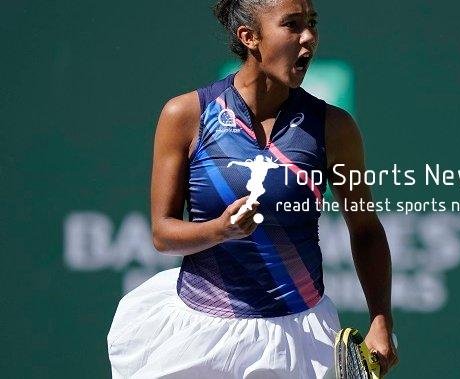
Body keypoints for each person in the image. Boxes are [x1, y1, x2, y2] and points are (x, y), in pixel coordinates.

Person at [106, 0, 398, 377]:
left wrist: (381, 319)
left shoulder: (334, 128)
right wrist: (220, 230)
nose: (308, 36)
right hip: (197, 336)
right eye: (292, 25)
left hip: (298, 338)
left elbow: (366, 230)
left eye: (312, 23)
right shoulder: (185, 115)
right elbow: (163, 233)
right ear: (250, 37)